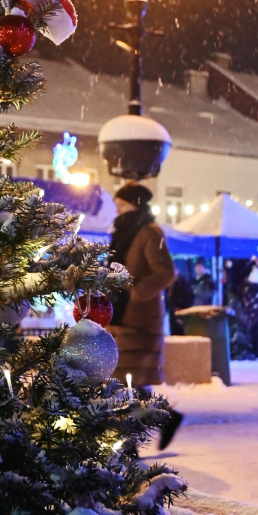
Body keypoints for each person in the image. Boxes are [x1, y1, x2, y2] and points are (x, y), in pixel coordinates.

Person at [107, 182, 179, 448]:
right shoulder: (125, 232)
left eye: (121, 203)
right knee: (128, 384)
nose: (117, 209)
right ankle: (162, 421)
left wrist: (137, 292)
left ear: (133, 204)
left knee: (128, 384)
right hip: (122, 317)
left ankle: (131, 442)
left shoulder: (149, 232)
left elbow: (165, 272)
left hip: (140, 320)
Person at [167, 266, 194, 335]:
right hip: (174, 312)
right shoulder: (171, 283)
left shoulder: (181, 283)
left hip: (181, 312)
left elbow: (189, 298)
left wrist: (180, 304)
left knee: (180, 332)